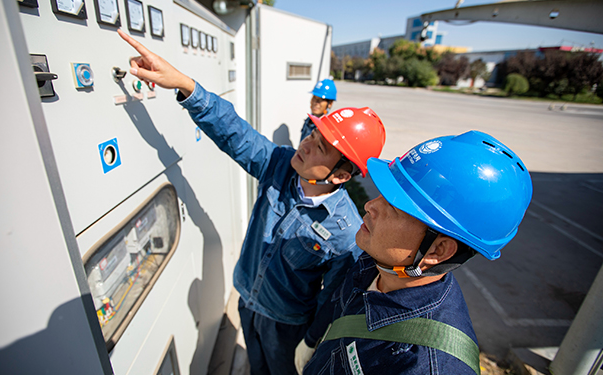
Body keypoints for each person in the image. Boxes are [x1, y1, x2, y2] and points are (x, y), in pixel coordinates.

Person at [117, 30, 387, 375]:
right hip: (247, 298)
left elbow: (333, 298)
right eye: (313, 134)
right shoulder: (279, 164)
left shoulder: (345, 232)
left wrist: (312, 341)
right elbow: (234, 133)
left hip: (286, 325)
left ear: (340, 176)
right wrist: (185, 85)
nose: (305, 144)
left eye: (319, 147)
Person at [295, 131, 533, 375]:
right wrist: (313, 339)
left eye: (395, 207)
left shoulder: (428, 365)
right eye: (383, 194)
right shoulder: (376, 261)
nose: (370, 205)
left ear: (438, 250)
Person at [300, 78, 337, 142]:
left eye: (320, 100)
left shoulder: (326, 130)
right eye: (314, 98)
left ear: (330, 103)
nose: (315, 103)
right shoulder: (308, 121)